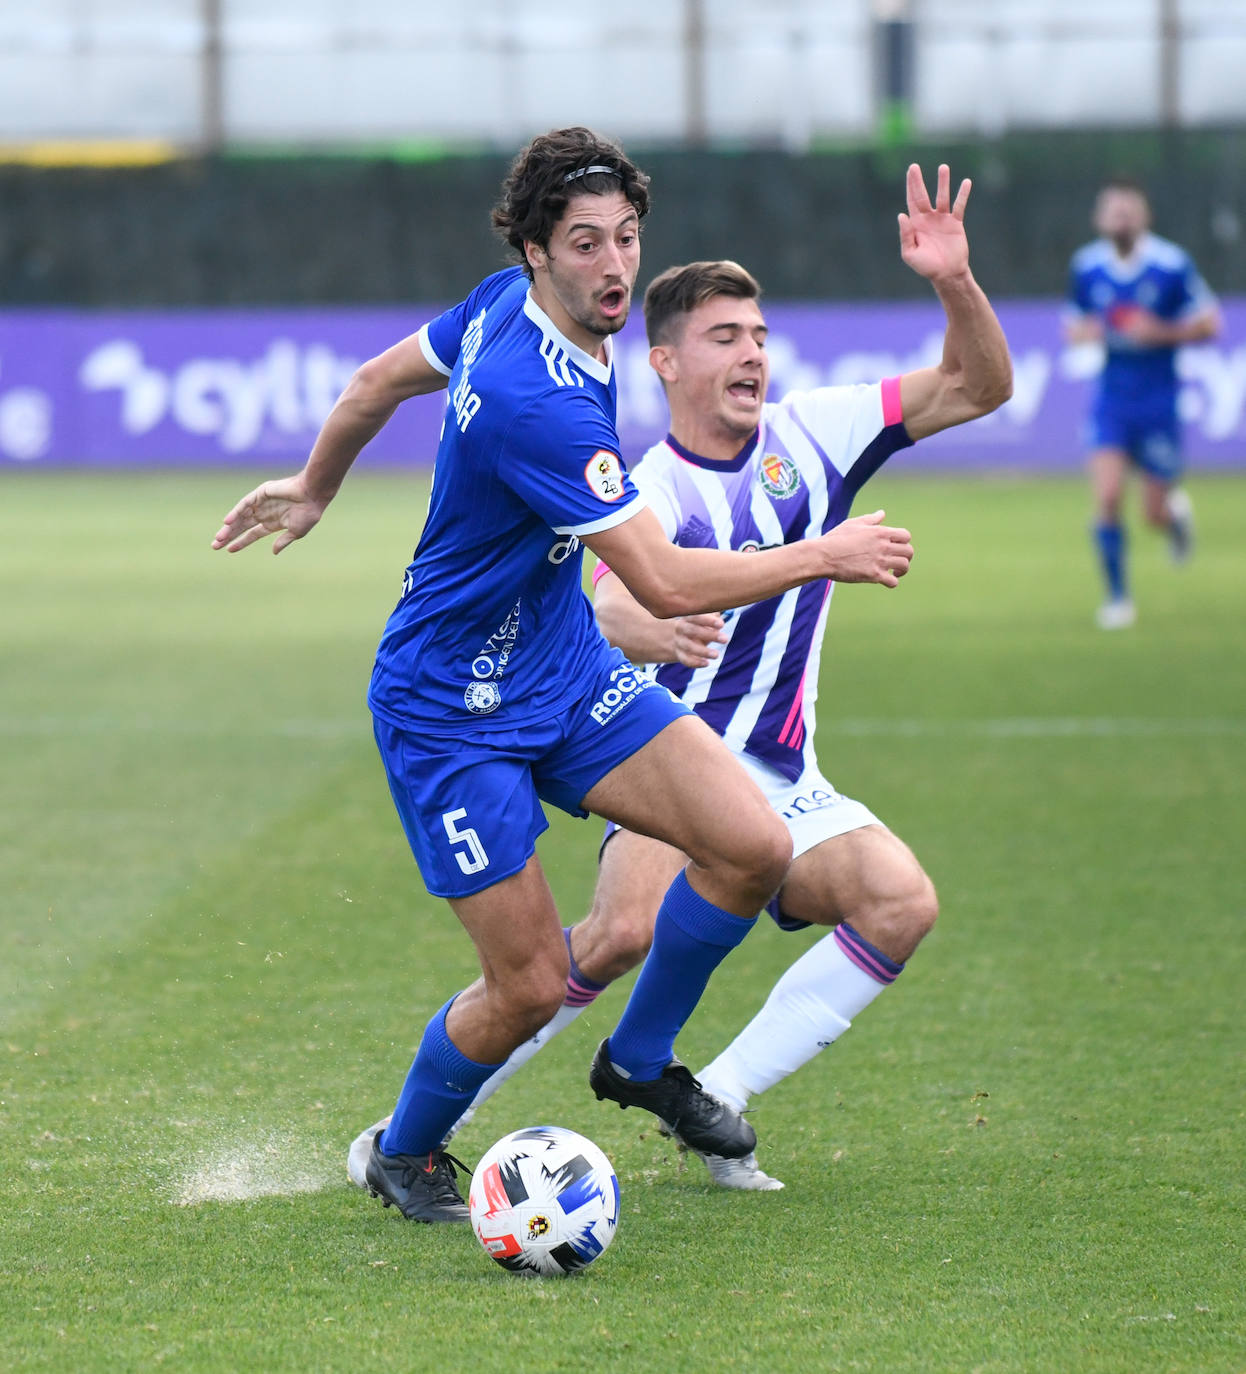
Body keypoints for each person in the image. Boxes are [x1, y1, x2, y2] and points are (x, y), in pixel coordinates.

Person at [213, 127, 915, 1224]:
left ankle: (639, 1060)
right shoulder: (536, 399)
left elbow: (371, 381)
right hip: (450, 712)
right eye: (584, 243)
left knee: (751, 844)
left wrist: (313, 486)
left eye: (626, 239)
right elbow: (668, 583)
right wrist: (822, 552)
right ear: (535, 250)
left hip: (560, 667)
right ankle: (403, 1153)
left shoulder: (501, 300)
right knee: (532, 983)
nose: (614, 266)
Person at [347, 162, 1012, 1192]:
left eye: (756, 336)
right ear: (664, 362)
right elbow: (621, 592)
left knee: (895, 899)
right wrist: (765, 575)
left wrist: (952, 282)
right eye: (724, 338)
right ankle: (413, 1136)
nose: (752, 354)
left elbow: (978, 386)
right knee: (602, 939)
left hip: (780, 767)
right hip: (597, 729)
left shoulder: (814, 435)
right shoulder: (633, 477)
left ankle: (691, 1086)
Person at [1064, 177, 1221, 630]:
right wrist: (1091, 332)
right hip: (1112, 402)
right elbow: (1073, 326)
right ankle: (1118, 599)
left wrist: (1161, 333)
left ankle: (1173, 518)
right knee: (1109, 497)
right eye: (1112, 211)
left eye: (1128, 211)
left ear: (1143, 217)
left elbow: (1211, 323)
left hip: (1160, 403)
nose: (1120, 218)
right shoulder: (1087, 266)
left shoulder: (1171, 265)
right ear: (1099, 219)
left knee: (1152, 511)